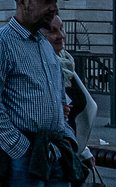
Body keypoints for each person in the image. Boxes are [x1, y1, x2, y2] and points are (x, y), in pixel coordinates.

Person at [0, 0, 85, 187]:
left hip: (54, 150)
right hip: (23, 157)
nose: (54, 8)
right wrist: (18, 148)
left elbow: (58, 97)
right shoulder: (0, 43)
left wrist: (67, 138)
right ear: (22, 0)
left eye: (56, 2)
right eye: (46, 1)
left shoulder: (43, 44)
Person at [41, 16, 96, 159]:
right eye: (52, 31)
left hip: (70, 151)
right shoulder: (41, 66)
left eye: (61, 28)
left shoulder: (66, 63)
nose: (61, 35)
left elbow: (74, 114)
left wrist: (84, 151)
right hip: (51, 152)